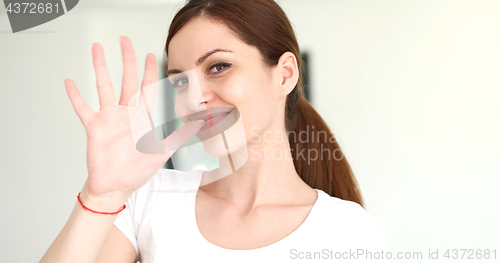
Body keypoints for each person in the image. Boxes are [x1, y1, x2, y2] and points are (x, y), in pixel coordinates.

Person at [41, 0, 388, 262]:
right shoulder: (149, 198)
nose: (194, 98)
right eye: (180, 80)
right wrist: (100, 196)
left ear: (284, 75)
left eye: (219, 66)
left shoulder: (349, 232)